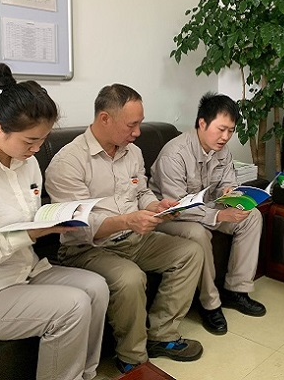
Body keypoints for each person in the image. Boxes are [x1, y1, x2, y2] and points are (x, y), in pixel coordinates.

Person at [0, 63, 110, 380]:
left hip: (22, 271)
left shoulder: (27, 162)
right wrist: (29, 235)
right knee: (72, 306)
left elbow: (27, 218)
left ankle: (86, 374)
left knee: (96, 288)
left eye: (43, 140)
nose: (36, 150)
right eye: (30, 141)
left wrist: (58, 218)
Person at [44, 83, 204, 373]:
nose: (138, 132)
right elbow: (77, 227)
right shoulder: (68, 162)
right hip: (88, 249)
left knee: (190, 253)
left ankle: (162, 334)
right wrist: (128, 220)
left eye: (140, 124)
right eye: (132, 125)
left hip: (134, 239)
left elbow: (141, 192)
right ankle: (131, 357)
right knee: (130, 278)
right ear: (105, 118)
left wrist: (156, 206)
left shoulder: (133, 153)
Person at [149, 92, 265, 336]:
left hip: (206, 208)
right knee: (197, 232)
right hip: (169, 217)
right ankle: (209, 304)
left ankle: (236, 290)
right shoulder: (174, 154)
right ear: (202, 123)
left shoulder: (222, 150)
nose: (226, 137)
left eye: (231, 131)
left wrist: (230, 192)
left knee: (252, 216)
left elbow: (227, 182)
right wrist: (220, 216)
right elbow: (179, 207)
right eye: (221, 129)